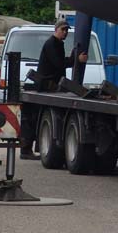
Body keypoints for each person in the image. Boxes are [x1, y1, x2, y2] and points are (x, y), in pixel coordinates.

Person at [20, 20, 88, 159]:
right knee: (33, 119)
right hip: (46, 86)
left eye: (66, 30)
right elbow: (58, 64)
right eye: (62, 29)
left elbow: (60, 62)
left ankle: (27, 149)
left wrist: (74, 57)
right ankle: (25, 150)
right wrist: (76, 60)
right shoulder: (51, 44)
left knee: (33, 118)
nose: (65, 32)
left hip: (51, 86)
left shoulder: (58, 44)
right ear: (56, 30)